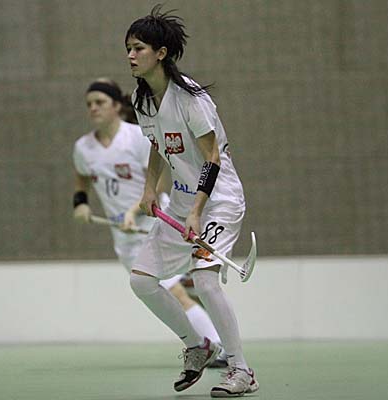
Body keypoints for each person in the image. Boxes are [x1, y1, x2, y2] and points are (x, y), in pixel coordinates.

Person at [125, 6, 259, 398]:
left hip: (219, 200)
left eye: (139, 48)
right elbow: (157, 145)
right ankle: (197, 344)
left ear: (161, 53)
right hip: (183, 203)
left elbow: (212, 158)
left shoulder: (191, 99)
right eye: (128, 48)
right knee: (141, 280)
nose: (131, 55)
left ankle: (242, 371)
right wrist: (150, 188)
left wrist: (198, 211)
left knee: (204, 279)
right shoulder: (141, 99)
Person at [71, 78, 226, 368]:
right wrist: (80, 202)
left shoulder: (137, 137)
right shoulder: (83, 147)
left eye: (100, 102)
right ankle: (211, 344)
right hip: (125, 237)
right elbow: (82, 177)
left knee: (177, 292)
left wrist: (134, 210)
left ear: (117, 106)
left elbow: (160, 180)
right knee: (173, 290)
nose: (93, 108)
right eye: (89, 104)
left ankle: (214, 348)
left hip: (157, 220)